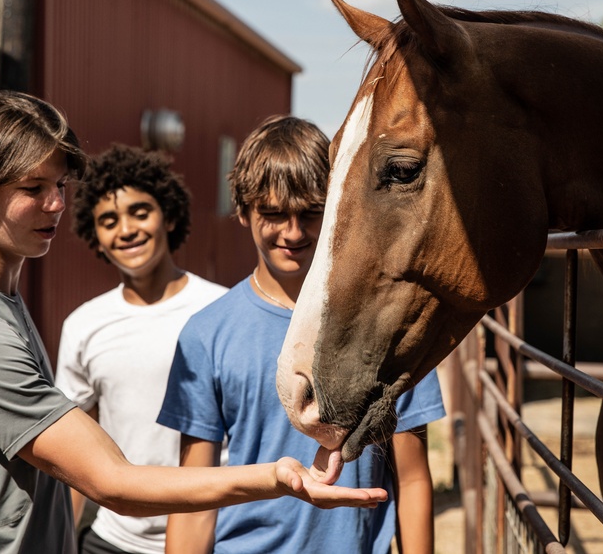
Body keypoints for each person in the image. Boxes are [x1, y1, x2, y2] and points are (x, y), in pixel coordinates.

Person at [0, 90, 386, 554]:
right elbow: (111, 481)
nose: (56, 203)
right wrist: (277, 478)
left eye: (60, 186)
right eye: (33, 188)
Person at [159, 115, 446, 554]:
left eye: (311, 213)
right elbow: (195, 497)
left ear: (336, 206)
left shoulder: (388, 326)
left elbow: (411, 476)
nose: (292, 232)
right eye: (272, 214)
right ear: (242, 210)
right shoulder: (206, 334)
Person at [56, 144, 228, 554]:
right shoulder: (84, 325)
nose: (126, 230)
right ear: (94, 235)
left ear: (167, 215)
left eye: (140, 212)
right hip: (112, 540)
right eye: (109, 220)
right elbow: (77, 451)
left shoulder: (221, 310)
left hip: (215, 536)